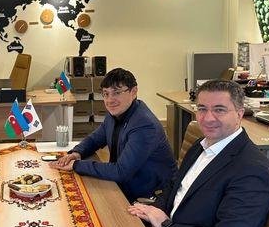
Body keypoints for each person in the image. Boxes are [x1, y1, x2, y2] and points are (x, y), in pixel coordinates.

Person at [128, 80, 269, 227]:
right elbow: (174, 187)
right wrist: (153, 212)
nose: (208, 118)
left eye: (219, 110)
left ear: (240, 114)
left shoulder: (252, 170)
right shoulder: (201, 145)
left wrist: (166, 226)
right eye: (202, 109)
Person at [49, 68, 176, 202]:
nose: (109, 100)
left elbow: (121, 171)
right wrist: (76, 153)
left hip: (152, 197)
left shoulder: (144, 125)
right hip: (126, 185)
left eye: (116, 93)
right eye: (105, 94)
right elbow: (95, 139)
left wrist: (76, 165)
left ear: (133, 92)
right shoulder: (117, 113)